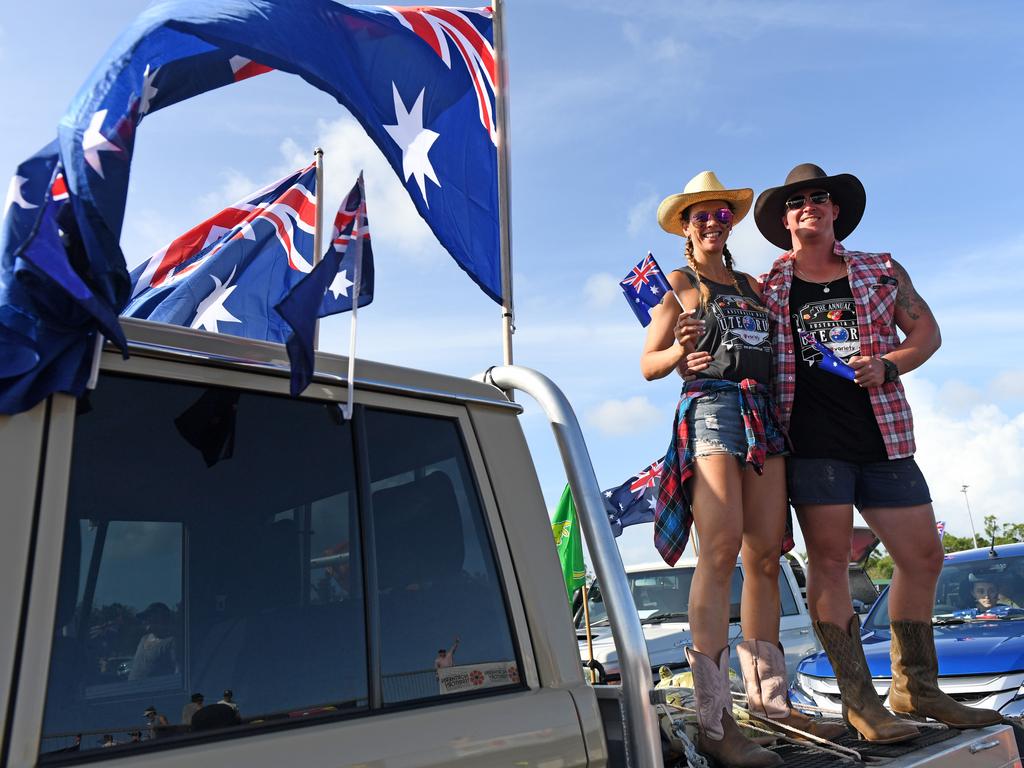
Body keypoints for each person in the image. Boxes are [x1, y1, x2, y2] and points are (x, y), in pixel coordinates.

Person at [746, 162, 1001, 739]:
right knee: (831, 563)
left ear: (837, 210)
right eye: (796, 201)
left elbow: (926, 335)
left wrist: (887, 365)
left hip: (884, 435)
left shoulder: (882, 270)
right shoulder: (768, 286)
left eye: (819, 197)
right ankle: (861, 703)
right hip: (811, 443)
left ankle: (917, 689)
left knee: (924, 555)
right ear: (784, 218)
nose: (809, 205)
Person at [648, 171, 841, 768]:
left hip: (762, 414)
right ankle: (714, 721)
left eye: (720, 214)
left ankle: (770, 704)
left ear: (730, 224)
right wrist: (682, 352)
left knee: (764, 555)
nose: (711, 223)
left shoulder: (755, 287)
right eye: (699, 215)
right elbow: (650, 364)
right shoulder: (680, 285)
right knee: (721, 547)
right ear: (685, 227)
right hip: (712, 412)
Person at [129, 603, 178, 680]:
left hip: (154, 690)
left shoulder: (171, 642)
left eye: (149, 617)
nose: (145, 621)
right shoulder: (143, 639)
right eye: (145, 618)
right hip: (130, 690)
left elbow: (177, 672)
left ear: (162, 619)